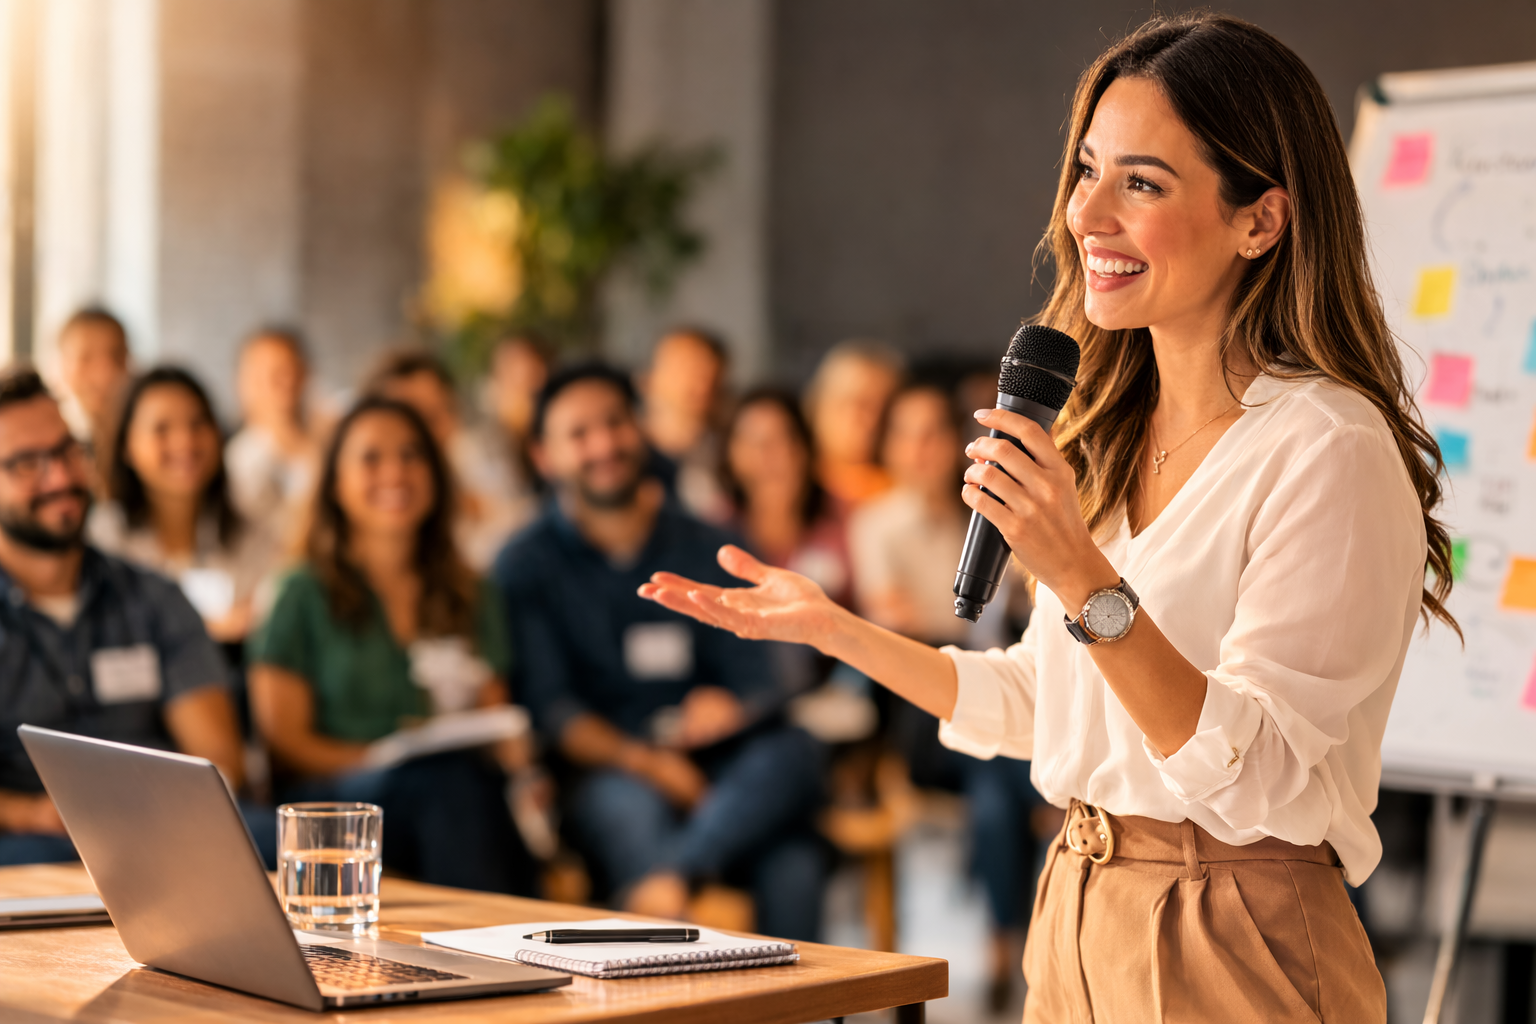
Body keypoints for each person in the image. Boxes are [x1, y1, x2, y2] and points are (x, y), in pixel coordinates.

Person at [642, 14, 1454, 1021]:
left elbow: (1261, 775)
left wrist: (1081, 574)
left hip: (1235, 922)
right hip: (1077, 900)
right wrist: (834, 629)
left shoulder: (1326, 447)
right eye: (1087, 170)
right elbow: (1045, 698)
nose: (1088, 213)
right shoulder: (1108, 430)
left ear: (1261, 219)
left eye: (1142, 183)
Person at [492, 364, 827, 941]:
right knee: (634, 810)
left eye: (616, 423)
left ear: (640, 429)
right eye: (579, 434)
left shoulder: (705, 543)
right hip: (608, 767)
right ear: (543, 456)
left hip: (718, 761)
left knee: (796, 784)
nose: (603, 445)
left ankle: (675, 873)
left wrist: (731, 703)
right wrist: (651, 765)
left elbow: (761, 672)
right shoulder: (525, 564)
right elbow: (552, 709)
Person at [247, 396, 538, 895]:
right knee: (441, 786)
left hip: (454, 790)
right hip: (335, 803)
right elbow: (284, 740)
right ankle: (509, 941)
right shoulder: (300, 592)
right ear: (335, 483)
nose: (396, 472)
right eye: (371, 458)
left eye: (411, 455)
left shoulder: (472, 593)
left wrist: (511, 749)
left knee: (463, 785)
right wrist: (382, 759)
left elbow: (493, 713)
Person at [0, 368, 258, 865]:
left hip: (162, 830)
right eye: (27, 463)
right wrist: (32, 812)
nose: (59, 477)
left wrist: (156, 810)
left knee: (275, 839)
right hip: (28, 843)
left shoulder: (156, 599)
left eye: (67, 451)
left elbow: (218, 759)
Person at [850, 382, 1045, 1010]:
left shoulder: (990, 510)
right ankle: (1023, 951)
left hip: (986, 697)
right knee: (1024, 778)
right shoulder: (877, 524)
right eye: (906, 434)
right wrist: (948, 620)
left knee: (994, 799)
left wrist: (943, 618)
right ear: (888, 447)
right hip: (919, 711)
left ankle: (1002, 950)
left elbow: (1003, 611)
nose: (922, 449)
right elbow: (898, 626)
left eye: (934, 432)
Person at [90, 367, 275, 645]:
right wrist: (209, 628)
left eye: (198, 423)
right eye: (161, 429)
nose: (185, 441)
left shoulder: (251, 530)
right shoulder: (105, 537)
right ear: (126, 445)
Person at [367, 348, 533, 571]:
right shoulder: (372, 520)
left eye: (434, 416)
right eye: (408, 419)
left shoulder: (484, 476)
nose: (423, 434)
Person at [721, 389, 852, 608]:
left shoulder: (846, 524)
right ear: (731, 455)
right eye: (754, 441)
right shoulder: (713, 530)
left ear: (804, 449)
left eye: (781, 438)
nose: (767, 454)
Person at [225, 327, 321, 535]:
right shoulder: (239, 460)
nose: (283, 383)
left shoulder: (328, 444)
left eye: (289, 370)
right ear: (243, 382)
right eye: (267, 373)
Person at [640, 327, 732, 523]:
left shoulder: (734, 454)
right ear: (647, 379)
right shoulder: (622, 456)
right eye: (685, 365)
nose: (702, 378)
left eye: (710, 368)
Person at [802, 341, 903, 510]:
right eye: (860, 404)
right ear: (820, 406)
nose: (873, 421)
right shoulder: (793, 489)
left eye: (885, 408)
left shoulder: (911, 493)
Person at [53, 307, 131, 453]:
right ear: (62, 365)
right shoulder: (50, 439)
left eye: (117, 356)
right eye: (86, 358)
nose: (105, 374)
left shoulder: (145, 438)